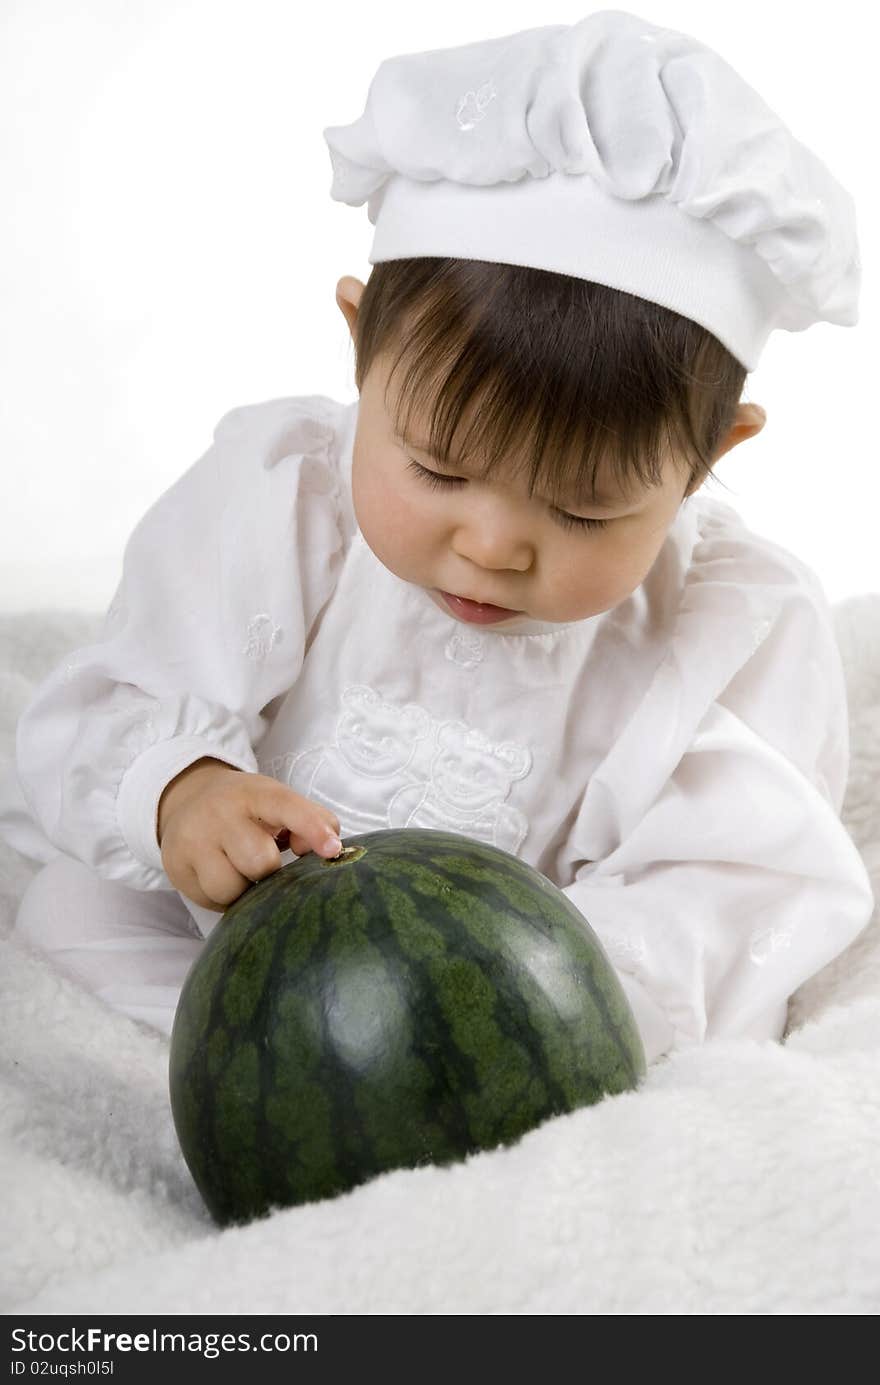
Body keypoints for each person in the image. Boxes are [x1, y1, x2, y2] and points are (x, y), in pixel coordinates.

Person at [2, 9, 873, 1060]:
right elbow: (130, 683)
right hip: (227, 937)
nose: (496, 546)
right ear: (361, 345)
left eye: (585, 510)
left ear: (708, 456)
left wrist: (527, 998)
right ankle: (247, 1066)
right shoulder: (285, 496)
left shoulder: (730, 623)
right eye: (438, 469)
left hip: (498, 1007)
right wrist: (187, 790)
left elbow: (730, 882)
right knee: (70, 910)